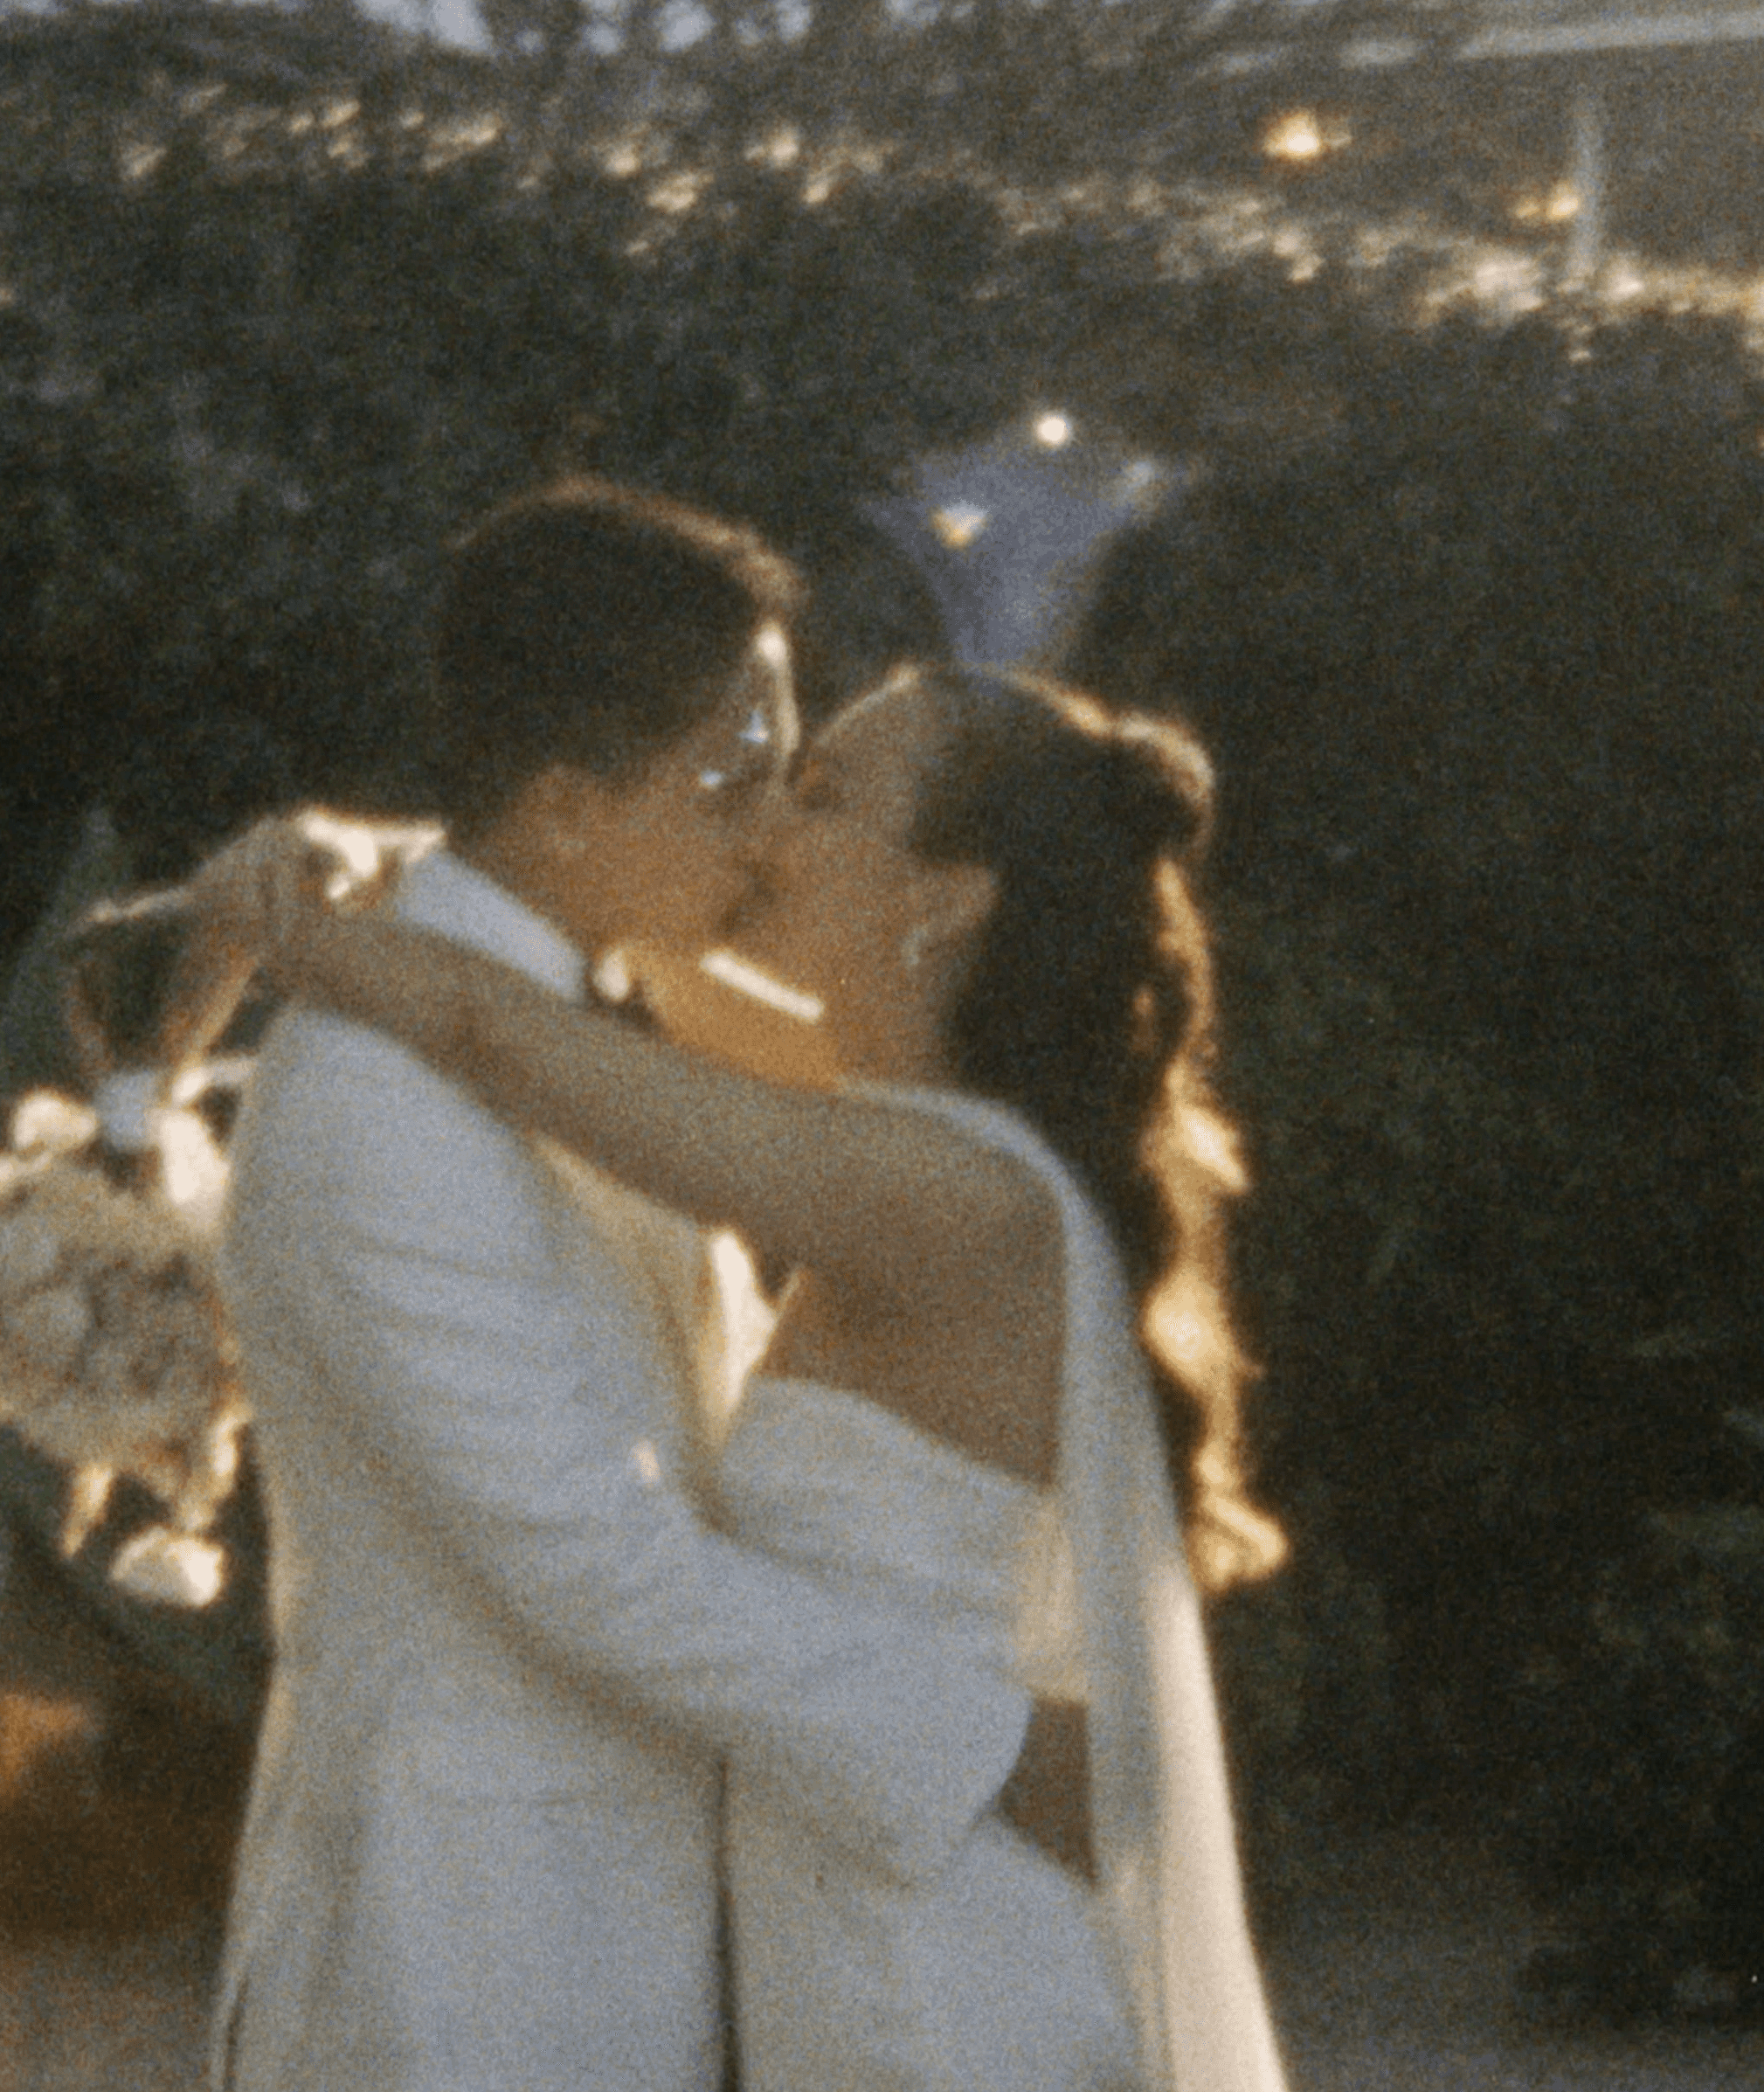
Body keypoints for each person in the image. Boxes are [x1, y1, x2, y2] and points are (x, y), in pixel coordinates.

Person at [190, 655, 1295, 2092]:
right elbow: (628, 962)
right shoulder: (881, 1111)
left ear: (945, 897)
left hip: (940, 1942)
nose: (766, 825)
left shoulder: (938, 1187)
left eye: (823, 796)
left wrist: (280, 934)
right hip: (858, 1903)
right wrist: (422, 854)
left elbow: (495, 1029)